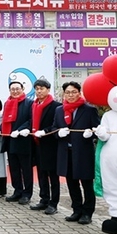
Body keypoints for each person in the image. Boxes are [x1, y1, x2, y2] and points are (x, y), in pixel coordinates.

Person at [54, 81, 100, 225]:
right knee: (71, 183)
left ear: (79, 93)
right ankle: (77, 210)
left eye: (74, 92)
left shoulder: (89, 110)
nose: (71, 95)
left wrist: (91, 133)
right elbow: (54, 128)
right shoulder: (59, 110)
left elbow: (98, 129)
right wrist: (58, 133)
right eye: (68, 92)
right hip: (66, 152)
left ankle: (87, 213)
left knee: (86, 183)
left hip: (83, 152)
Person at [29, 79, 62, 215]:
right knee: (41, 174)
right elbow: (31, 121)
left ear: (48, 90)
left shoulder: (56, 106)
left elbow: (57, 124)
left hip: (50, 144)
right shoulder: (34, 105)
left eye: (42, 88)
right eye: (37, 89)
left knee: (52, 175)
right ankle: (44, 199)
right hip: (37, 144)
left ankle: (53, 203)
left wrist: (45, 131)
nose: (39, 91)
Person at [1, 80, 34, 205]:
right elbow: (5, 121)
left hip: (23, 141)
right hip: (10, 140)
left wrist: (20, 130)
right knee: (14, 168)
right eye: (12, 89)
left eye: (17, 89)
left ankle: (27, 193)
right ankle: (17, 191)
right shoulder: (7, 103)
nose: (15, 91)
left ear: (22, 89)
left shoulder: (29, 103)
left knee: (26, 169)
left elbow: (31, 120)